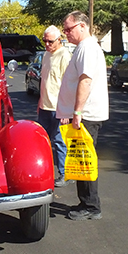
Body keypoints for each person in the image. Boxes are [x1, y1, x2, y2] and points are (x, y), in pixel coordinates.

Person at [57, 11, 109, 221]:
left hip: (86, 115)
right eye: (65, 29)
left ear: (82, 26)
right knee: (80, 161)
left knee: (85, 161)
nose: (66, 33)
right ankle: (86, 202)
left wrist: (77, 112)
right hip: (82, 114)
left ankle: (91, 206)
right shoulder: (83, 48)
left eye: (69, 28)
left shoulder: (87, 48)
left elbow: (85, 81)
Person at [37, 25, 72, 187]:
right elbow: (45, 81)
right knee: (43, 140)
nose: (47, 44)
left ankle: (65, 174)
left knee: (59, 141)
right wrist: (40, 101)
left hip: (59, 108)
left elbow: (70, 85)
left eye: (50, 41)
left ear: (59, 40)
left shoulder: (65, 56)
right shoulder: (46, 55)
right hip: (45, 105)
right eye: (44, 41)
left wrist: (67, 109)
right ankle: (44, 171)